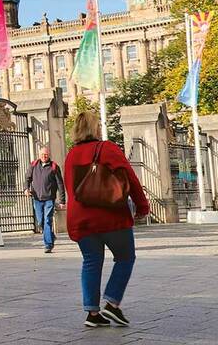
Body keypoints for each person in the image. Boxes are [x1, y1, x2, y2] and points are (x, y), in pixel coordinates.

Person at [64, 110, 150, 329]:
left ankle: (92, 313)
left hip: (81, 219)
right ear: (96, 128)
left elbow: (69, 187)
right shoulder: (108, 148)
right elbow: (130, 177)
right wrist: (142, 205)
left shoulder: (71, 155)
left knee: (91, 262)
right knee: (125, 257)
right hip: (111, 216)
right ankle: (112, 302)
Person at [25, 146, 66, 253]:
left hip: (49, 199)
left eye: (46, 154)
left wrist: (62, 200)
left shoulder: (54, 166)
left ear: (49, 154)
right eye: (42, 154)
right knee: (41, 220)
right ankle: (51, 235)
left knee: (47, 220)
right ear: (39, 155)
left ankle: (48, 245)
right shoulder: (33, 165)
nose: (44, 156)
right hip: (37, 198)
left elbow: (60, 184)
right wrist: (26, 189)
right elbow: (27, 178)